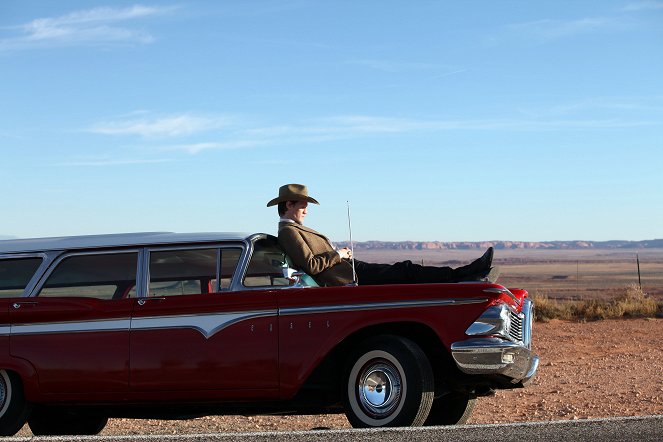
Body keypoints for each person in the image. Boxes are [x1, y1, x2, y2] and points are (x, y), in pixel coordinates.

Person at [267, 183, 496, 287]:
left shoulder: (294, 229)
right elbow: (312, 265)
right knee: (405, 270)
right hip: (350, 277)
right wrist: (338, 253)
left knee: (405, 272)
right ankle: (466, 275)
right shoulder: (288, 231)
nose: (306, 210)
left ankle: (465, 275)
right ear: (289, 204)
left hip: (352, 269)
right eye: (303, 205)